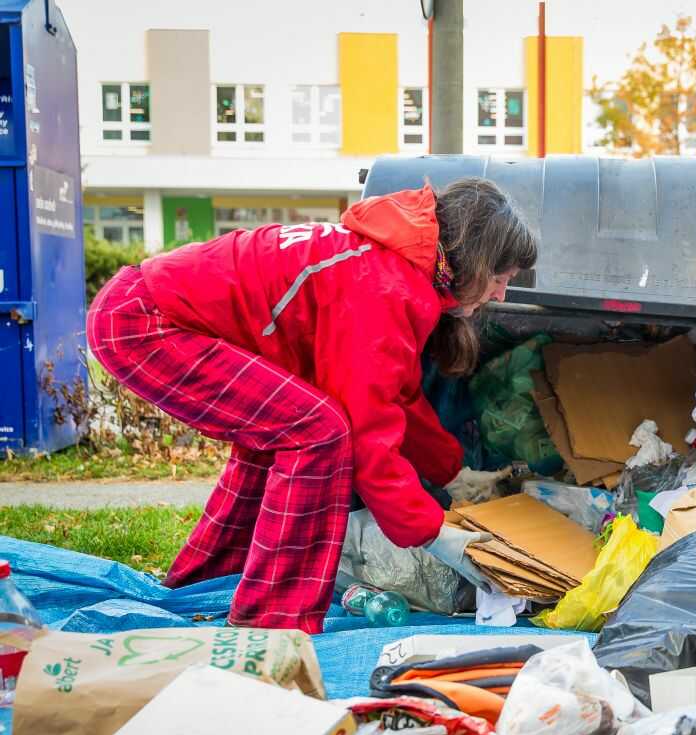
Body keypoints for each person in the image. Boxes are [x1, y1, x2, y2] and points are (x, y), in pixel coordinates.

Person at [87, 179, 537, 633]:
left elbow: (394, 394)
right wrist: (437, 537)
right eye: (502, 279)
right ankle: (274, 624)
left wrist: (451, 472)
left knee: (283, 433)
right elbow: (366, 433)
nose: (500, 294)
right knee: (317, 431)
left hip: (142, 307)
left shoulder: (394, 265)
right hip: (145, 322)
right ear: (476, 260)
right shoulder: (383, 284)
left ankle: (208, 586)